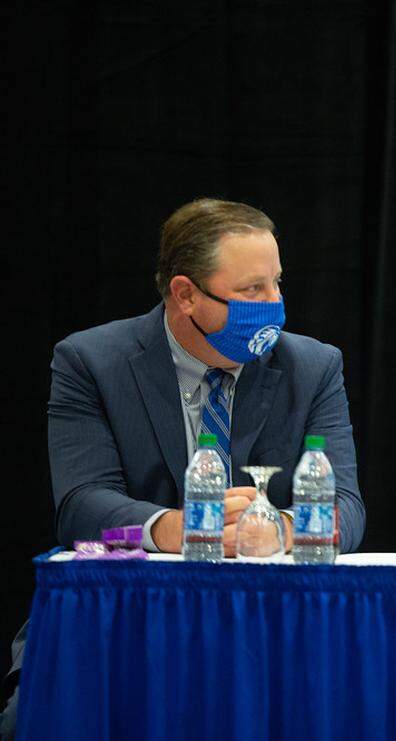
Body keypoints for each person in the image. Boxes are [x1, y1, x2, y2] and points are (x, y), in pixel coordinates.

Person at [47, 197, 365, 554]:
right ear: (185, 294)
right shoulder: (92, 364)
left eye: (276, 282)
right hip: (144, 598)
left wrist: (283, 530)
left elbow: (347, 509)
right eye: (252, 289)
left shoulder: (312, 367)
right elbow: (80, 511)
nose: (274, 303)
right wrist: (172, 529)